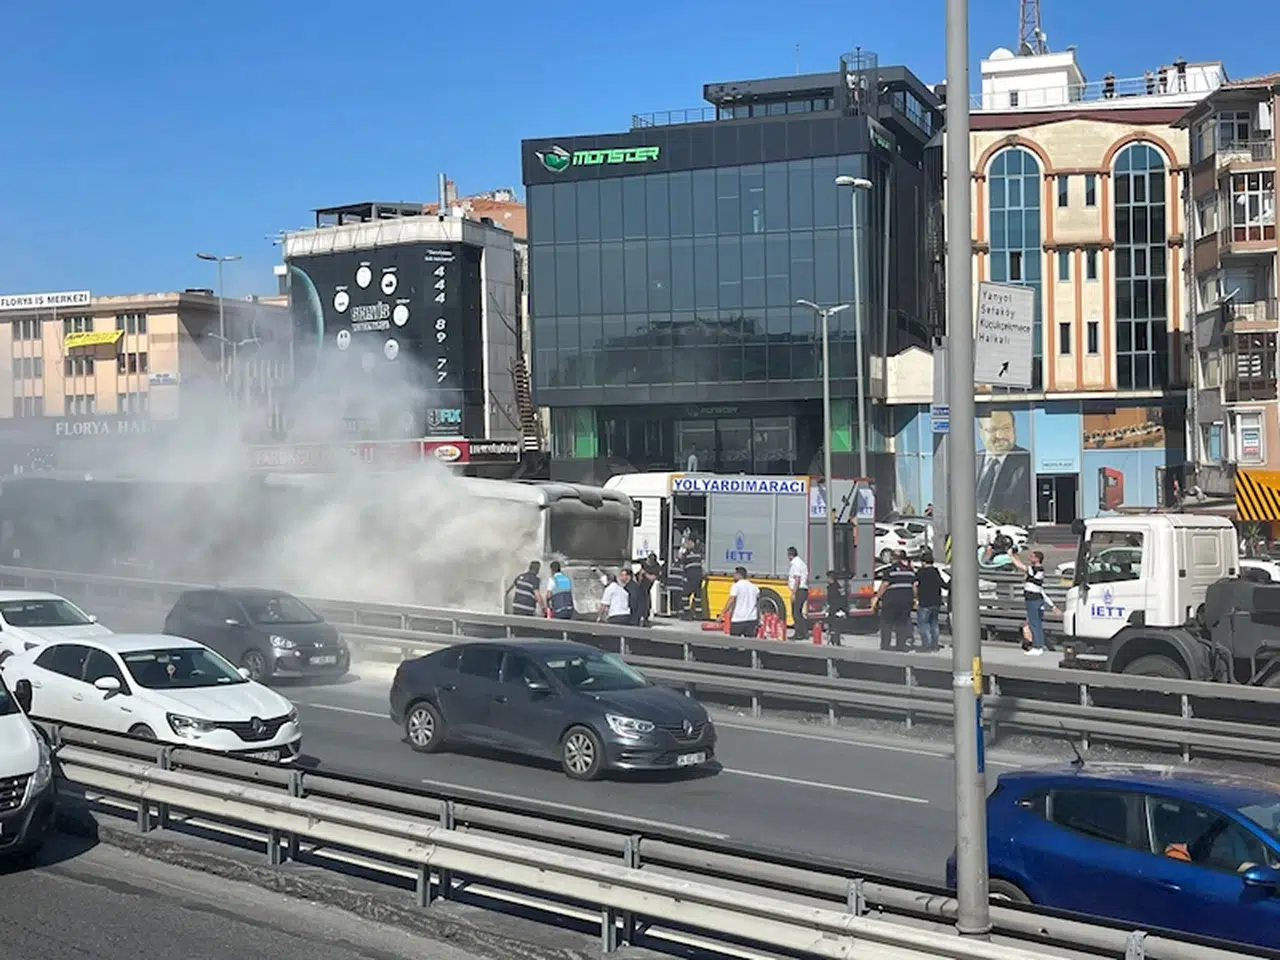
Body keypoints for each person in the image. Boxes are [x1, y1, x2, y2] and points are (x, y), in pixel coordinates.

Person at [1009, 548, 1059, 656]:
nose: (1030, 558)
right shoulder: (1034, 570)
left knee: (1034, 625)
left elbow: (1020, 566)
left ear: (1037, 558)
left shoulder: (1037, 569)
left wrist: (1010, 556)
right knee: (1035, 624)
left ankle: (1038, 647)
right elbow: (1024, 567)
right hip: (1033, 600)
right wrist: (1016, 555)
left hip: (1034, 600)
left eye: (1032, 556)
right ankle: (1038, 646)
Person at [872, 551, 915, 652]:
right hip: (906, 601)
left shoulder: (889, 570)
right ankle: (900, 645)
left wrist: (877, 597)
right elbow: (914, 586)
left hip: (891, 601)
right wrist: (914, 598)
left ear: (893, 558)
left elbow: (885, 585)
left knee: (886, 623)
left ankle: (885, 645)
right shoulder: (910, 571)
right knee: (902, 623)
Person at [914, 549, 945, 652]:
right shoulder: (936, 571)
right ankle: (934, 645)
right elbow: (943, 584)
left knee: (923, 624)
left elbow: (915, 584)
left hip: (924, 602)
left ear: (923, 562)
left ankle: (926, 646)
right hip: (936, 602)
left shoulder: (921, 572)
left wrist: (915, 597)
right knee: (934, 623)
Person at [719, 566, 760, 637]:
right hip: (752, 620)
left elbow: (731, 599)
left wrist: (722, 613)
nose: (733, 576)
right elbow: (757, 604)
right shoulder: (754, 587)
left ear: (739, 575)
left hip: (738, 620)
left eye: (735, 574)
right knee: (750, 644)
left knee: (734, 644)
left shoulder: (736, 586)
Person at [786, 546, 809, 641]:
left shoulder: (796, 564)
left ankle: (798, 633)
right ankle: (804, 633)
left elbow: (797, 579)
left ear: (790, 555)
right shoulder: (801, 563)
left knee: (795, 613)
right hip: (802, 590)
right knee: (798, 613)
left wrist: (794, 593)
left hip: (799, 590)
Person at [681, 537, 704, 619]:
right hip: (698, 577)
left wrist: (683, 551)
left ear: (692, 543)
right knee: (698, 596)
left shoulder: (687, 554)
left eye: (688, 543)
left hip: (691, 577)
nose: (687, 544)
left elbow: (682, 561)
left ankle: (687, 614)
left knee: (685, 595)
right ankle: (698, 614)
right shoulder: (699, 552)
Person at [822, 571, 848, 646]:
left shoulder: (831, 587)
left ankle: (834, 641)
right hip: (838, 609)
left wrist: (829, 608)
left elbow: (832, 599)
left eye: (827, 578)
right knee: (836, 626)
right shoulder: (838, 586)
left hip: (834, 609)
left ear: (830, 578)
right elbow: (842, 598)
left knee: (833, 626)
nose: (826, 580)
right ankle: (836, 640)